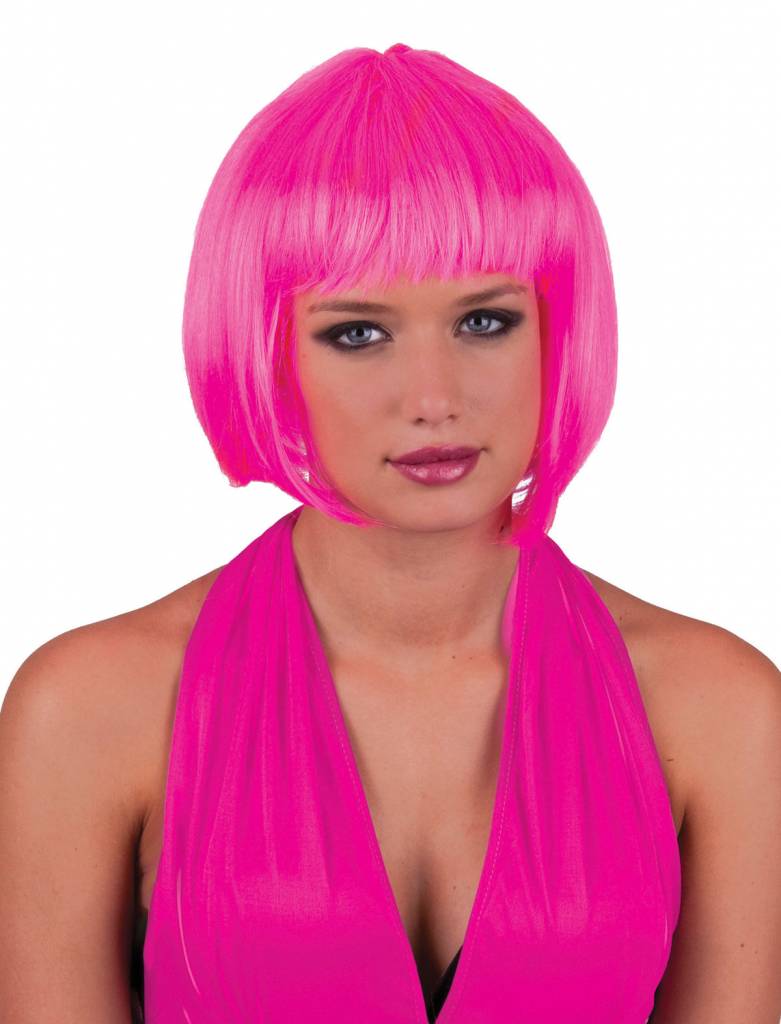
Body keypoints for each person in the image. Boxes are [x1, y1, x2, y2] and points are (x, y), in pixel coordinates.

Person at [2, 41, 780, 1024]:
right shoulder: (90, 709)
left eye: (484, 321)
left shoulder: (718, 711)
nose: (433, 397)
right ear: (267, 351)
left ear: (558, 327)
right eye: (357, 333)